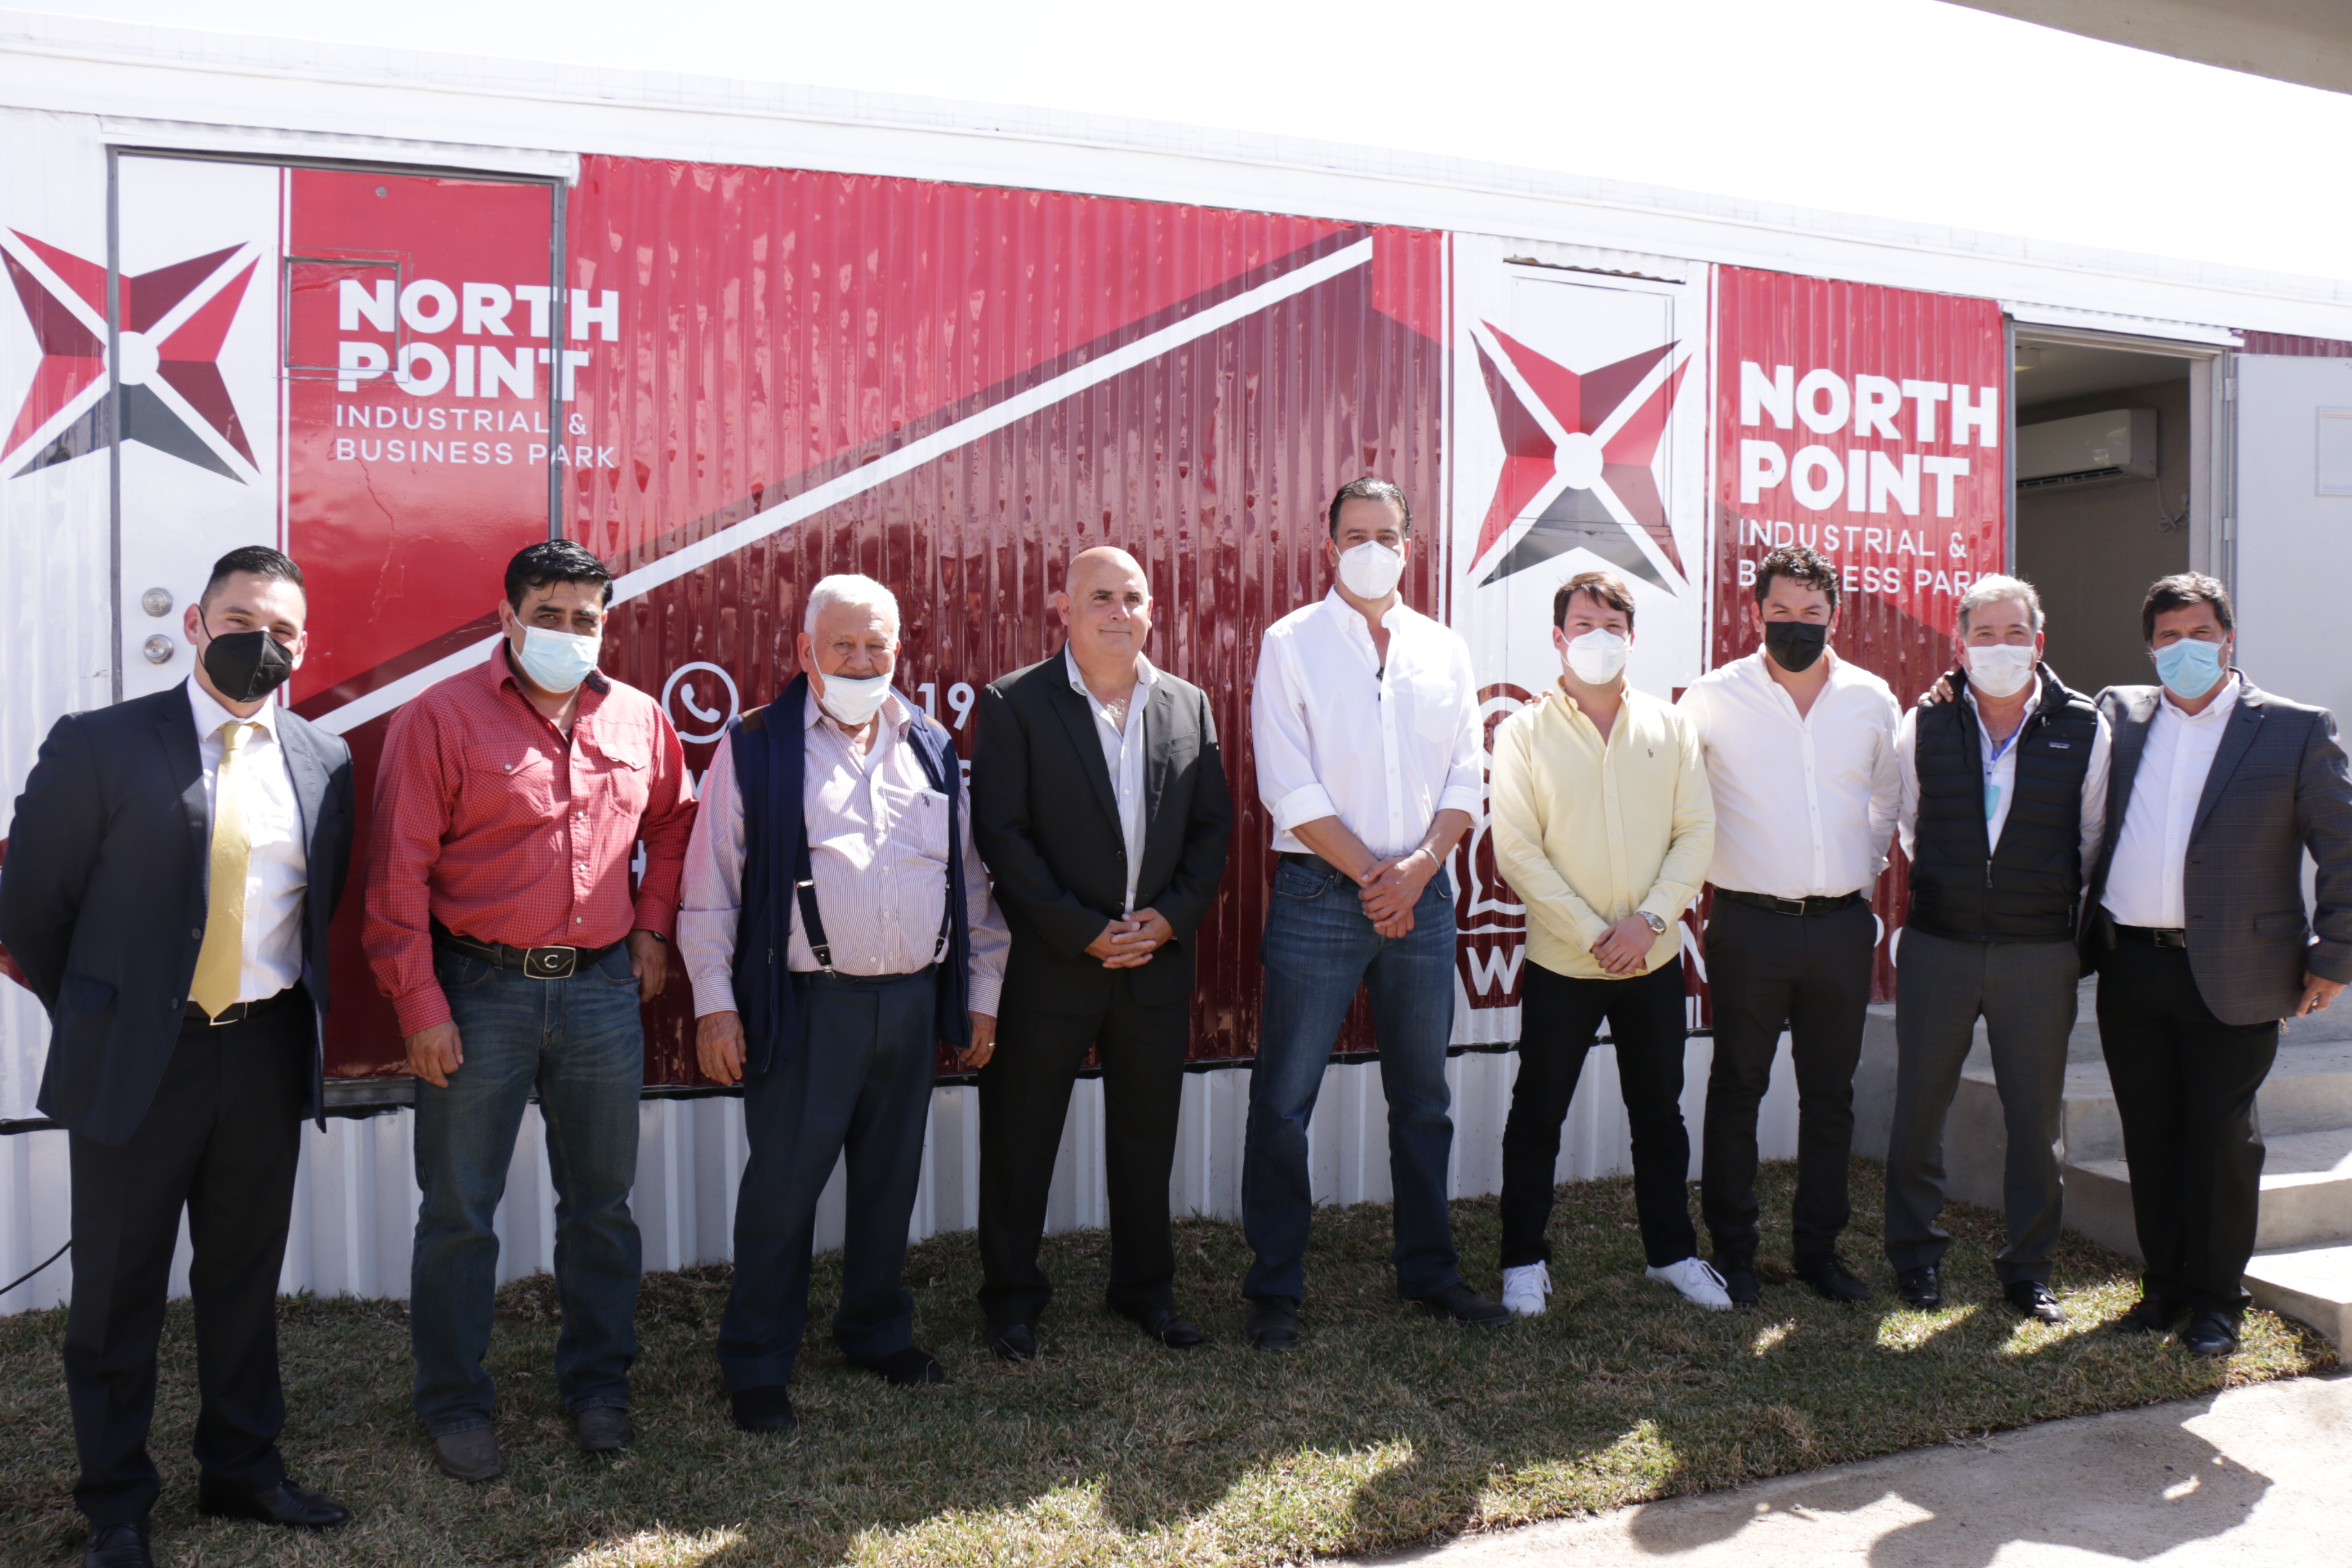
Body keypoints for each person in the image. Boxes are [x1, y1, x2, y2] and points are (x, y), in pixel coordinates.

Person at [1, 547, 355, 1568]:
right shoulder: (100, 743)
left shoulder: (324, 759)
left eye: (283, 630)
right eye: (241, 620)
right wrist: (102, 1009)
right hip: (139, 1057)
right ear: (197, 625)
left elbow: (317, 903)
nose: (261, 642)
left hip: (264, 1050)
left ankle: (242, 1469)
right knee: (118, 1292)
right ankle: (117, 1504)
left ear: (304, 646)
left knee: (243, 1277)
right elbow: (31, 907)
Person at [364, 540, 695, 1480]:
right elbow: (396, 874)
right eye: (547, 614)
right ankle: (455, 1403)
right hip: (479, 994)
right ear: (507, 616)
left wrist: (652, 927)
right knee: (459, 1212)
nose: (567, 632)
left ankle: (598, 1389)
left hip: (600, 992)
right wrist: (419, 1005)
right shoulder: (441, 718)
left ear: (606, 624)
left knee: (601, 1208)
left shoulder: (638, 716)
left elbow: (675, 821)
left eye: (585, 618)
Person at [678, 573, 1007, 1433]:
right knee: (782, 1194)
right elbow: (710, 890)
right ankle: (758, 1361)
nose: (863, 661)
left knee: (889, 1185)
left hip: (910, 1003)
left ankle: (875, 1331)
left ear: (898, 650)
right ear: (806, 651)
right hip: (806, 1009)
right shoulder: (756, 745)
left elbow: (969, 883)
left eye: (877, 645)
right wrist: (716, 1006)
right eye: (844, 646)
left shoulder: (930, 743)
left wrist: (981, 996)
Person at [1240, 476, 1505, 1349]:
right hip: (1323, 891)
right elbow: (1286, 783)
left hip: (1424, 894)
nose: (1371, 548)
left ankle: (1430, 1271)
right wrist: (1371, 876)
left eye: (1386, 535)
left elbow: (1467, 772)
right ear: (1330, 547)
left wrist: (1420, 868)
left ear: (1408, 547)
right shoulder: (1292, 643)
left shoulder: (1444, 648)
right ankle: (1274, 1287)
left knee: (1423, 1097)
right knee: (1285, 1100)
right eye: (1355, 534)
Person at [969, 547, 1235, 1359]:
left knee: (1146, 1136)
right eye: (1100, 597)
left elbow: (1211, 830)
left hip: (1153, 963)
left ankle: (1145, 1290)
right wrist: (1080, 928)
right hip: (1053, 963)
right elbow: (1002, 835)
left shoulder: (1188, 704)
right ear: (1065, 608)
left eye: (1133, 597)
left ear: (1152, 609)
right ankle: (1012, 1301)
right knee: (1021, 1136)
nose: (1119, 611)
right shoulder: (1014, 703)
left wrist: (1170, 920)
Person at [2082, 573, 2352, 1355]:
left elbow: (2342, 846)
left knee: (2222, 1139)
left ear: (2228, 637)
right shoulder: (2119, 715)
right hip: (2132, 965)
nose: (2185, 649)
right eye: (2168, 637)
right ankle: (2164, 1286)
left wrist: (2335, 955)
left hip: (2240, 970)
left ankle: (2218, 1299)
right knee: (2150, 1133)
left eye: (2200, 633)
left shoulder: (2294, 728)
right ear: (2150, 647)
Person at [1489, 571, 1719, 1316]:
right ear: (1558, 637)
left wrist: (1649, 921)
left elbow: (1697, 832)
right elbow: (1517, 850)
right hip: (1565, 961)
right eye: (1584, 624)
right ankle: (1523, 1260)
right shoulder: (1523, 732)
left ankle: (1672, 1253)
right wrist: (1594, 933)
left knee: (1660, 1113)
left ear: (1632, 636)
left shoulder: (1670, 726)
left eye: (1613, 625)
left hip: (1652, 958)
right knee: (1539, 1112)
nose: (1599, 637)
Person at [1882, 574, 2110, 1322]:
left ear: (2038, 643)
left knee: (2035, 1121)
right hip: (1940, 944)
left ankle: (2028, 1268)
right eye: (1985, 633)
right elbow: (1912, 824)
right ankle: (1915, 1258)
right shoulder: (1926, 720)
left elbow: (2091, 837)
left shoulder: (2085, 725)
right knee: (1919, 1109)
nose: (2000, 646)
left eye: (2015, 633)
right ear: (1962, 644)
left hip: (2037, 952)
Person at [1678, 545, 1901, 1305]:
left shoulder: (1871, 697)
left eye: (1811, 612)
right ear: (1756, 613)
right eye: (1781, 611)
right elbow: (1676, 793)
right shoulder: (1713, 697)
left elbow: (1888, 795)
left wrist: (1863, 866)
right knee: (1738, 1086)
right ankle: (1734, 1252)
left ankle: (1819, 1252)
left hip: (1840, 927)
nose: (1796, 624)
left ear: (1835, 614)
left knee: (1830, 1095)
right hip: (1749, 924)